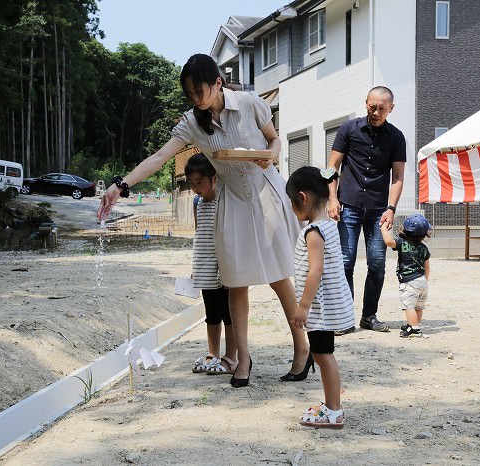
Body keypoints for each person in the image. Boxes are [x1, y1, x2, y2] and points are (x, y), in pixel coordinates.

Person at [97, 54, 309, 388]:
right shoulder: (192, 123)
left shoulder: (250, 103)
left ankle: (302, 348)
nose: (196, 99)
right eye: (190, 94)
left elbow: (274, 137)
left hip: (266, 192)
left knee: (279, 276)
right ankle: (242, 359)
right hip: (233, 201)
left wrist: (273, 155)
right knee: (235, 281)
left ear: (218, 83)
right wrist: (119, 185)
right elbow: (159, 157)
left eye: (201, 91)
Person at [326, 86, 407, 334]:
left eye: (382, 108)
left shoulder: (396, 137)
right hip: (348, 205)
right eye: (372, 106)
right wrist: (331, 198)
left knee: (377, 264)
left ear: (391, 108)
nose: (376, 112)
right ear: (366, 104)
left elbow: (398, 176)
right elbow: (331, 167)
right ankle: (344, 317)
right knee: (345, 262)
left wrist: (391, 208)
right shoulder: (348, 130)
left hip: (378, 210)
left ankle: (369, 316)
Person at [285, 166, 355, 429]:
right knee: (324, 353)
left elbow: (316, 270)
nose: (292, 208)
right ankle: (330, 404)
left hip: (320, 308)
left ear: (302, 198)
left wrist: (302, 306)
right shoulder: (330, 225)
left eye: (292, 202)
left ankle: (334, 410)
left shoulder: (313, 231)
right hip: (328, 305)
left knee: (323, 355)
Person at [186, 153, 237, 375]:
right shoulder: (197, 202)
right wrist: (195, 268)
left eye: (200, 182)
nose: (195, 188)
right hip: (205, 265)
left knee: (229, 314)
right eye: (192, 183)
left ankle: (231, 356)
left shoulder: (225, 200)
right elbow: (200, 234)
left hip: (225, 266)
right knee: (212, 313)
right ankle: (213, 353)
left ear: (213, 178)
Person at [381, 214, 431, 338]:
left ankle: (414, 330)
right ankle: (415, 324)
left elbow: (388, 241)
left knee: (409, 306)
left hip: (409, 282)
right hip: (422, 281)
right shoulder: (423, 248)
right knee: (418, 307)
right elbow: (427, 267)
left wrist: (383, 228)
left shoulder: (402, 243)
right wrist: (425, 279)